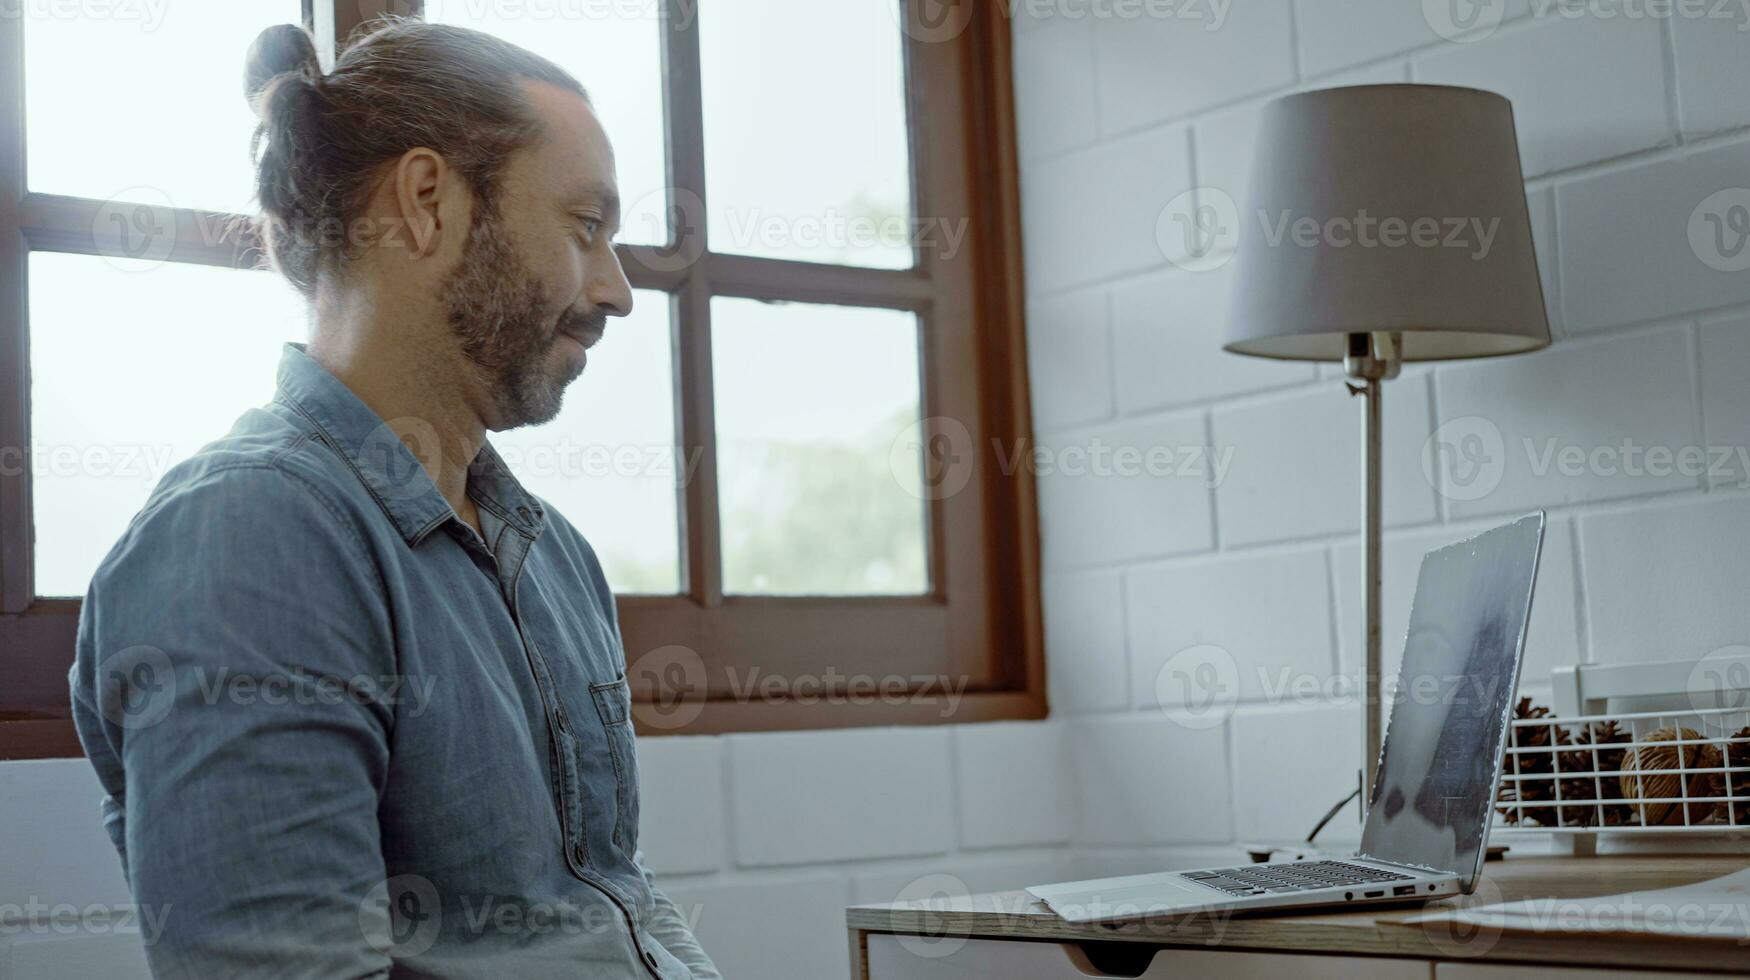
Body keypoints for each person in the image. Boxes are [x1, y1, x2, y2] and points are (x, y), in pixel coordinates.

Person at [69, 18, 720, 979]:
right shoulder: (252, 538)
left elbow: (613, 896)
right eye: (586, 227)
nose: (618, 291)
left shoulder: (550, 552)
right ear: (426, 202)